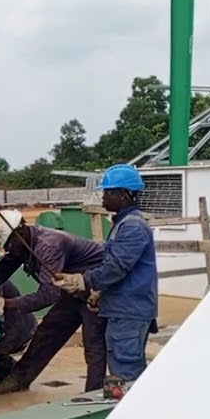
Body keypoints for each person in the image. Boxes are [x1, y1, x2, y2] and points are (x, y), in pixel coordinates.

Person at [54, 164, 158, 398]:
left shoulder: (132, 227)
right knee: (123, 370)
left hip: (128, 312)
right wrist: (100, 294)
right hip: (124, 309)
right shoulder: (124, 224)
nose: (103, 196)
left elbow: (117, 267)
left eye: (107, 192)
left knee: (126, 374)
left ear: (122, 195)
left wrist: (84, 280)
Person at [0, 208, 107, 395]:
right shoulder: (21, 244)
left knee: (93, 345)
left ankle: (93, 395)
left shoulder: (48, 246)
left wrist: (4, 304)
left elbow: (49, 294)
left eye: (7, 244)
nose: (7, 250)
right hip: (72, 293)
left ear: (19, 233)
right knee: (47, 333)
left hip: (96, 293)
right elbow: (1, 273)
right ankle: (18, 379)